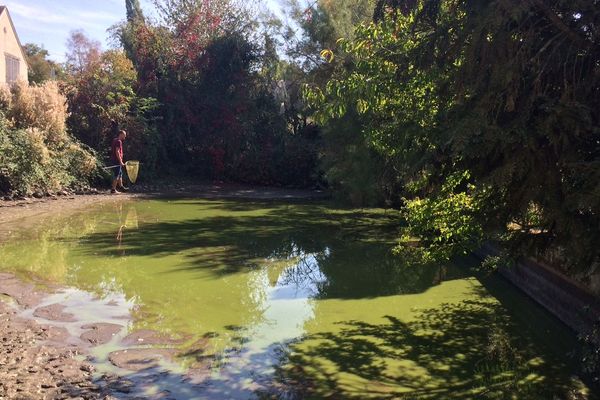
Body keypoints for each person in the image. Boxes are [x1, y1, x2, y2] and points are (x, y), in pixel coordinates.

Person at [111, 130, 128, 194]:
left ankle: (121, 187)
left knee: (120, 174)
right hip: (117, 161)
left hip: (115, 160)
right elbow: (117, 152)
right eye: (124, 135)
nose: (125, 136)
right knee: (117, 175)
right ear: (120, 134)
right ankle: (113, 190)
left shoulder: (115, 140)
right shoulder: (118, 141)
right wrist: (120, 161)